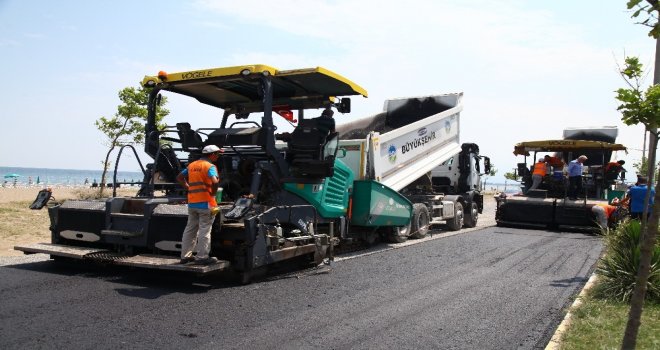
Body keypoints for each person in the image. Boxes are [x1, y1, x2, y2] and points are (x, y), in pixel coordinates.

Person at [176, 145, 223, 265]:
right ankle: (202, 257)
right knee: (205, 230)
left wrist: (189, 188)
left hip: (192, 203)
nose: (218, 157)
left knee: (190, 229)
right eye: (217, 154)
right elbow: (215, 181)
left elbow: (180, 177)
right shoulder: (210, 166)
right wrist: (213, 194)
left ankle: (185, 256)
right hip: (206, 203)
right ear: (212, 155)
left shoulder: (192, 165)